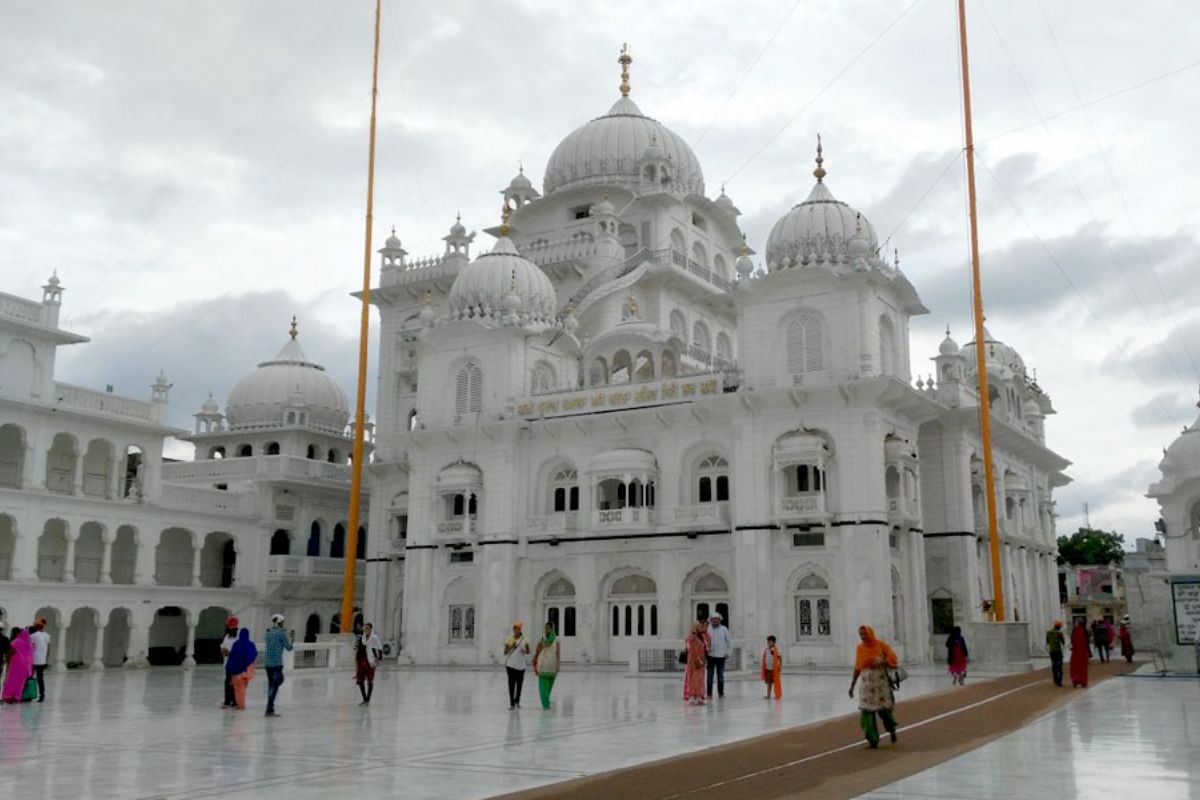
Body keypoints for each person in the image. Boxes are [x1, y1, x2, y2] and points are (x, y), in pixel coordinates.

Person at [849, 625, 899, 748]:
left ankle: (892, 730)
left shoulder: (881, 645)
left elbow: (892, 657)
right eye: (861, 634)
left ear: (870, 633)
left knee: (885, 712)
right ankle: (873, 740)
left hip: (881, 686)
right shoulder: (860, 648)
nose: (863, 637)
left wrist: (885, 661)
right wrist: (852, 685)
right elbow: (858, 667)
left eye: (865, 634)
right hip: (867, 687)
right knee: (866, 713)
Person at [263, 614, 292, 717]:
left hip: (268, 664)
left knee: (271, 685)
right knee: (275, 686)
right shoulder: (281, 634)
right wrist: (290, 638)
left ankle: (269, 708)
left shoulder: (268, 633)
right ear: (280, 623)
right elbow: (289, 647)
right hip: (277, 664)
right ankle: (269, 709)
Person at [225, 628, 257, 710]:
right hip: (248, 670)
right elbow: (253, 655)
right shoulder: (251, 644)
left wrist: (230, 667)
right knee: (243, 688)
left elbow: (232, 656)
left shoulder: (236, 644)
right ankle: (241, 704)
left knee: (238, 688)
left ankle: (240, 705)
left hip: (237, 670)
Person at [533, 622, 561, 710]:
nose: (546, 630)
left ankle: (546, 700)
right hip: (543, 663)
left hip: (552, 664)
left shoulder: (557, 639)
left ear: (552, 629)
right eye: (545, 628)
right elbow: (537, 649)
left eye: (548, 628)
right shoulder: (542, 637)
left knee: (549, 686)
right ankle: (546, 704)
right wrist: (535, 657)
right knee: (542, 686)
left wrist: (558, 664)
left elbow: (558, 652)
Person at [503, 622, 530, 709]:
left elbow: (528, 651)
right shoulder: (509, 639)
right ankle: (512, 703)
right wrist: (512, 646)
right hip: (510, 665)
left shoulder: (525, 639)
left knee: (519, 685)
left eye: (517, 629)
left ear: (520, 630)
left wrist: (524, 650)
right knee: (511, 685)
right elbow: (505, 652)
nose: (515, 630)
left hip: (521, 666)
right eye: (514, 629)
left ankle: (517, 701)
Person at [2, 628, 33, 703]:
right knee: (20, 682)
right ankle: (17, 697)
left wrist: (6, 659)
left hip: (15, 663)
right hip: (25, 665)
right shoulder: (29, 645)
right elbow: (30, 656)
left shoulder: (15, 642)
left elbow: (10, 651)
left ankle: (8, 696)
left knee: (11, 680)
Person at [705, 613, 733, 699]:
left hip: (721, 656)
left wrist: (728, 653)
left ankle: (721, 693)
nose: (715, 621)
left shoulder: (724, 629)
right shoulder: (708, 630)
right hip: (710, 656)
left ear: (720, 620)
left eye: (717, 619)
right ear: (711, 620)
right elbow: (704, 641)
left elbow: (729, 642)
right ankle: (709, 694)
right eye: (713, 619)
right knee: (709, 676)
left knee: (720, 676)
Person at [355, 621, 382, 706]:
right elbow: (358, 651)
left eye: (367, 628)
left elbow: (379, 648)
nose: (365, 630)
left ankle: (368, 700)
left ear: (371, 629)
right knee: (360, 680)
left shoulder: (374, 638)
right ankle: (364, 699)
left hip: (370, 661)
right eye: (365, 628)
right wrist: (356, 662)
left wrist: (378, 659)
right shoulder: (361, 638)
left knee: (370, 680)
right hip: (361, 661)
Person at [683, 621, 708, 705]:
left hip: (700, 661)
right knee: (693, 679)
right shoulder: (692, 637)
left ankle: (699, 696)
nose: (701, 627)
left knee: (700, 679)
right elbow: (689, 648)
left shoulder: (703, 637)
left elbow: (706, 646)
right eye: (699, 626)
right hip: (693, 661)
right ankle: (693, 696)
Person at [219, 616, 239, 709]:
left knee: (234, 683)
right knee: (228, 682)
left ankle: (235, 702)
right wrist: (223, 651)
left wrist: (230, 653)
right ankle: (227, 701)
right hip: (228, 664)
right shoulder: (227, 636)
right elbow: (222, 647)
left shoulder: (238, 636)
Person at [29, 618, 50, 703]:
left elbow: (29, 647)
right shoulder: (47, 635)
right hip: (42, 661)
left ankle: (29, 695)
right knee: (40, 679)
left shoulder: (33, 636)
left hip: (33, 660)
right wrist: (46, 659)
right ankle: (42, 696)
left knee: (30, 678)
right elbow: (49, 648)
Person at [1070, 620, 1090, 688]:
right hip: (1083, 651)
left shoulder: (1074, 630)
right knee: (1083, 667)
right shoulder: (1085, 631)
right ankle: (1083, 682)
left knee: (1075, 666)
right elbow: (1087, 641)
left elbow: (1072, 640)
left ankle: (1075, 681)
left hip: (1075, 651)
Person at [761, 635, 782, 699]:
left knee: (776, 682)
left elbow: (780, 658)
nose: (768, 643)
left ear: (773, 642)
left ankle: (777, 694)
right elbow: (764, 658)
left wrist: (780, 666)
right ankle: (768, 695)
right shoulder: (766, 650)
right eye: (768, 641)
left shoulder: (776, 650)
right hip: (768, 669)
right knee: (769, 683)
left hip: (774, 669)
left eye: (769, 642)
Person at [1046, 620, 1066, 687]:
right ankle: (1059, 681)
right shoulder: (1059, 633)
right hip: (1058, 650)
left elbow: (1047, 642)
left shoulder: (1048, 632)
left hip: (1052, 651)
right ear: (1059, 626)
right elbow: (1063, 642)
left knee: (1054, 664)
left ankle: (1055, 678)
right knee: (1059, 665)